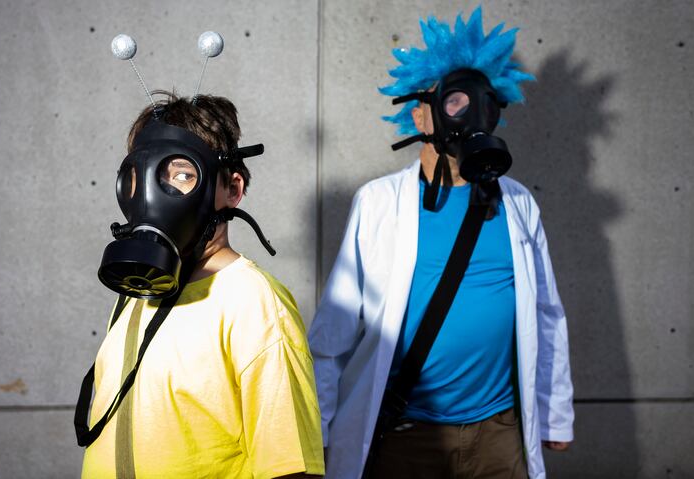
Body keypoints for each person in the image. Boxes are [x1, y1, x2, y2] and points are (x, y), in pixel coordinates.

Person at [308, 8, 573, 479]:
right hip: (407, 434)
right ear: (419, 113)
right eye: (454, 100)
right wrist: (321, 431)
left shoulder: (518, 203)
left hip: (498, 433)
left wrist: (555, 414)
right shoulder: (379, 203)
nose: (469, 114)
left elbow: (547, 314)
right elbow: (334, 331)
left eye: (483, 102)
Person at [80, 93, 324, 478]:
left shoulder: (254, 302)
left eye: (181, 175)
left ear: (232, 189)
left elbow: (290, 468)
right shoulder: (137, 292)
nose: (153, 195)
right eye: (142, 176)